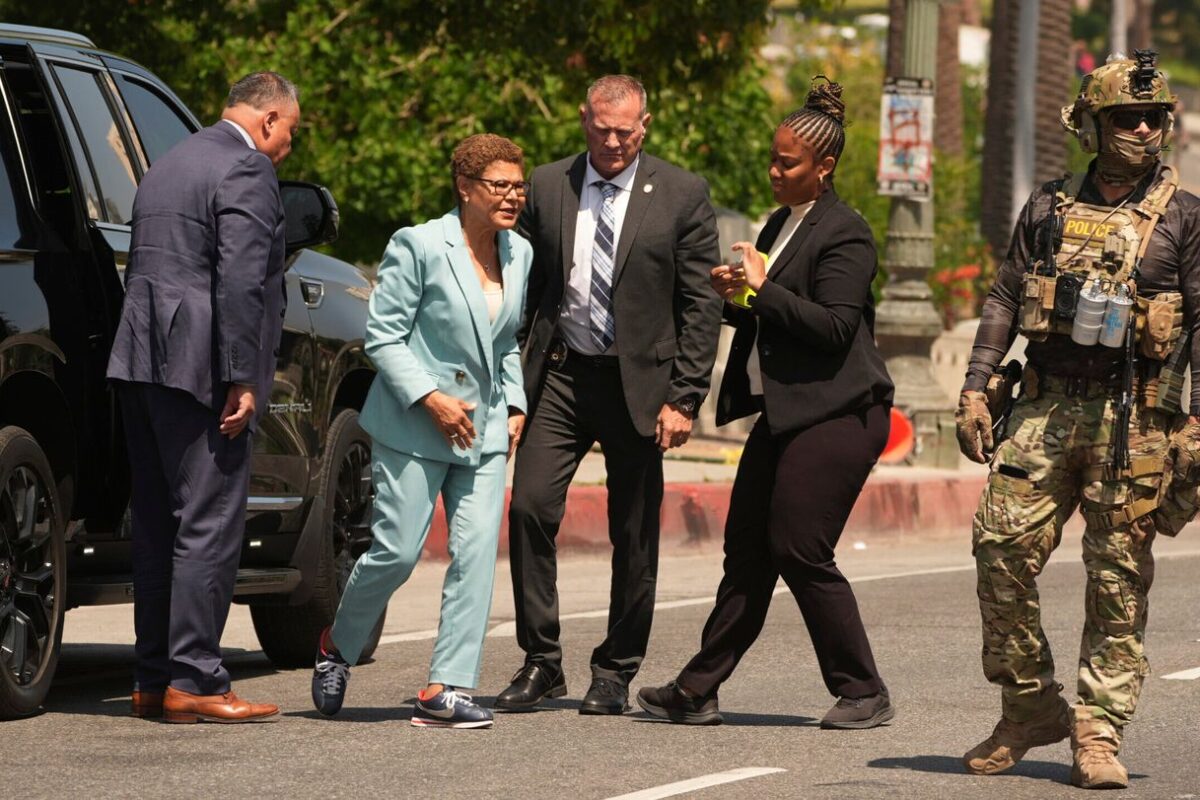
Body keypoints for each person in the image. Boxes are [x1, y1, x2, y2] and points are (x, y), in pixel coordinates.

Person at [955, 51, 1200, 789]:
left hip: (1136, 418)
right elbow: (1003, 297)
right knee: (999, 548)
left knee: (1117, 578)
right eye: (1127, 117)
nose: (1144, 130)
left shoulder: (1185, 218)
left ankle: (1097, 733)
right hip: (1046, 405)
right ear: (1093, 124)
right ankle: (1030, 706)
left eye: (1155, 117)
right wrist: (975, 388)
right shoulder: (1049, 206)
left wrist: (1198, 423)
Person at [635, 79, 896, 730]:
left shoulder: (847, 234)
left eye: (789, 163)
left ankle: (863, 689)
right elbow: (774, 314)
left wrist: (761, 288)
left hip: (843, 412)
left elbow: (835, 327)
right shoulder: (782, 224)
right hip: (788, 411)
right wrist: (738, 296)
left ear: (824, 168)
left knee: (798, 544)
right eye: (773, 159)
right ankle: (697, 689)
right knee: (748, 548)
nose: (774, 171)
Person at [495, 75, 722, 715]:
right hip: (562, 375)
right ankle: (542, 661)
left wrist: (685, 397)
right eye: (602, 128)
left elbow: (700, 303)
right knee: (530, 509)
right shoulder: (546, 185)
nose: (614, 140)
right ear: (583, 119)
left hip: (641, 382)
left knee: (634, 532)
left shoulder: (680, 193)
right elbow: (523, 286)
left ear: (645, 125)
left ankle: (614, 670)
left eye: (626, 130)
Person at [310, 134, 532, 729]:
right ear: (466, 188)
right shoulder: (418, 245)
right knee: (397, 552)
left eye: (519, 186)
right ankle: (337, 644)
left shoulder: (521, 255)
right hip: (416, 424)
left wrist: (513, 403)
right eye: (499, 186)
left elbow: (506, 340)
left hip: (482, 431)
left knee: (477, 554)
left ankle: (445, 687)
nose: (512, 196)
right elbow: (382, 336)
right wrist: (433, 399)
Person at [106, 72, 299, 723]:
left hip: (138, 359)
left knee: (159, 524)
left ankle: (152, 678)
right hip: (200, 368)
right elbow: (243, 278)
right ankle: (198, 681)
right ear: (269, 117)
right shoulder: (245, 168)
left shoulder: (168, 163)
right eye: (290, 133)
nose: (286, 149)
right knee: (209, 521)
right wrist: (243, 374)